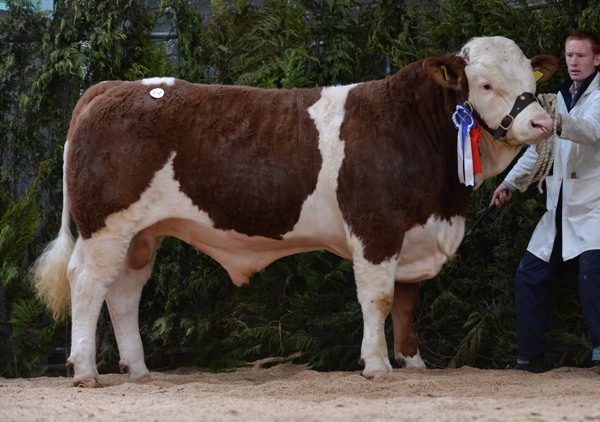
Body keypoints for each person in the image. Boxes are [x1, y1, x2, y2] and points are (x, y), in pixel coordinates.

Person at [491, 30, 600, 373]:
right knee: (529, 275)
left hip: (595, 206)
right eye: (569, 56)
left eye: (581, 56)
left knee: (592, 275)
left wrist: (556, 122)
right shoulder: (559, 97)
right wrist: (511, 183)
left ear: (597, 59)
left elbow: (591, 130)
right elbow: (541, 149)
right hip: (560, 209)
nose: (573, 62)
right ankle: (530, 356)